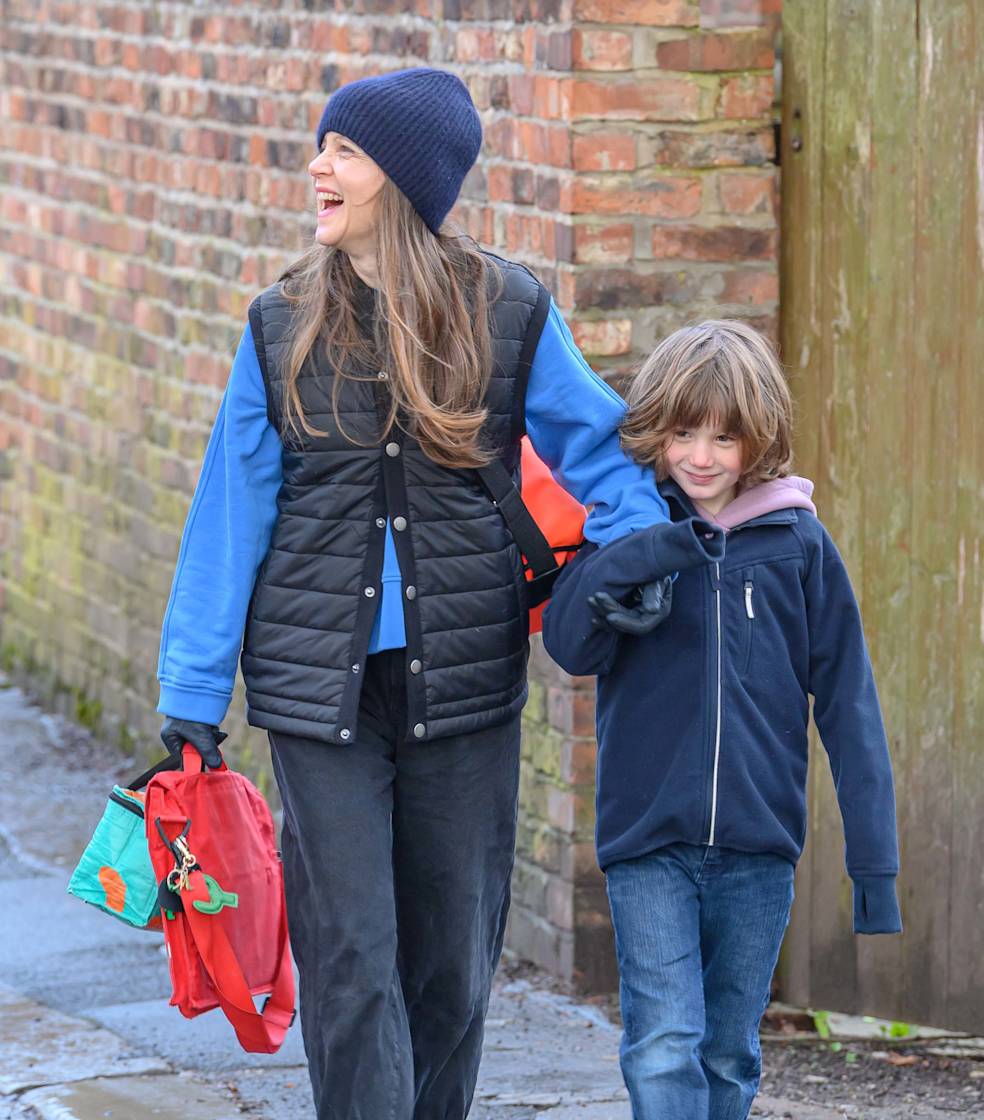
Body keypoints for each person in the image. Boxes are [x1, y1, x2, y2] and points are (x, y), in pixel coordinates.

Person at [155, 67, 671, 1119]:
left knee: (446, 969)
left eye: (342, 151)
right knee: (349, 961)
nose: (318, 168)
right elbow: (229, 511)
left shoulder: (509, 310)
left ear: (402, 176)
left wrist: (631, 563)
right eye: (322, 148)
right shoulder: (278, 323)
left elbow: (606, 456)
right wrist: (192, 697)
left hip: (464, 682)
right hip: (315, 694)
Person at [542, 320, 902, 1120]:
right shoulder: (628, 531)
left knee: (727, 1055)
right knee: (664, 1044)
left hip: (758, 849)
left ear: (759, 439)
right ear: (654, 431)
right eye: (682, 432)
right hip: (648, 843)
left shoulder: (798, 545)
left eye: (724, 438)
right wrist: (640, 557)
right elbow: (569, 643)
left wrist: (873, 865)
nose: (701, 457)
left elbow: (848, 702)